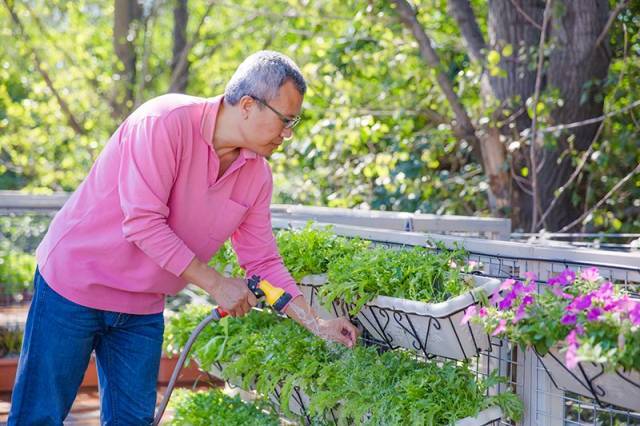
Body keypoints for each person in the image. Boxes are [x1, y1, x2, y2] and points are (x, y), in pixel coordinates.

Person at [8, 50, 359, 425]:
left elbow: (262, 260)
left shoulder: (256, 175)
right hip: (74, 285)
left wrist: (316, 323)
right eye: (285, 120)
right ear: (246, 105)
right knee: (38, 416)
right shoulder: (164, 122)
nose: (288, 134)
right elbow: (143, 222)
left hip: (141, 306)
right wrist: (216, 284)